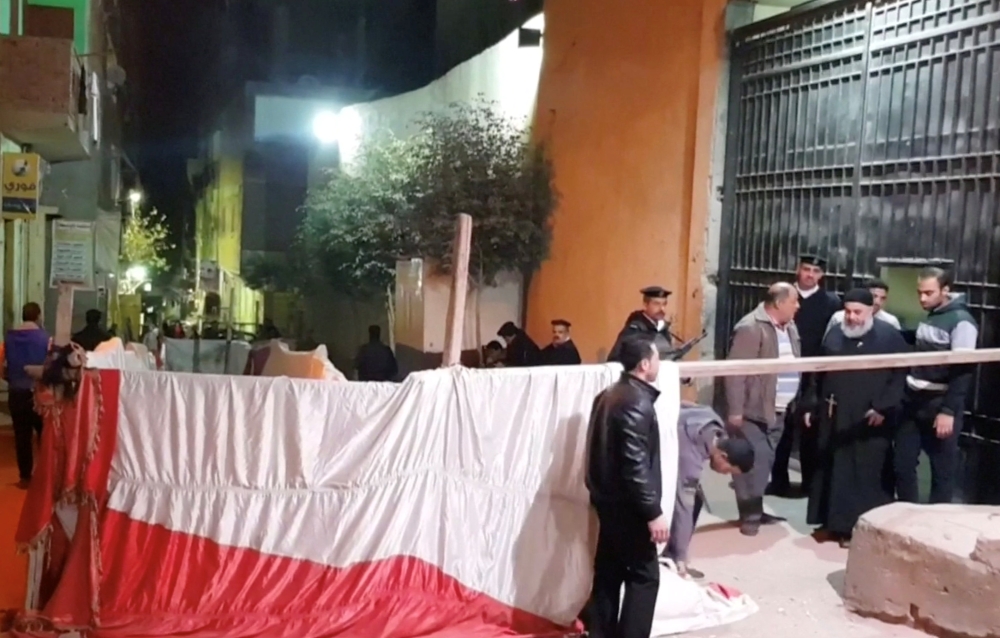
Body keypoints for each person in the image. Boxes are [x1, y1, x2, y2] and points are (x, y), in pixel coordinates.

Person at [801, 288, 908, 548]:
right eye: (848, 311)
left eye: (857, 312)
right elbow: (819, 371)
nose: (852, 317)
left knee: (861, 474)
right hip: (832, 414)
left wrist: (883, 407)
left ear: (871, 310)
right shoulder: (836, 332)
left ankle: (853, 528)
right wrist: (811, 404)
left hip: (867, 420)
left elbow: (899, 376)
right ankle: (829, 522)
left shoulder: (889, 337)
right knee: (830, 467)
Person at [584, 333, 665, 638]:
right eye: (656, 357)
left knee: (608, 574)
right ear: (645, 364)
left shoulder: (608, 395)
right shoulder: (636, 402)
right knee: (645, 577)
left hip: (607, 502)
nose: (659, 362)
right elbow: (635, 466)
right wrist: (653, 512)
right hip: (628, 507)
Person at [894, 267, 978, 504]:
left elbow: (963, 371)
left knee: (942, 470)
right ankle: (906, 517)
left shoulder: (962, 322)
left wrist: (948, 411)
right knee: (902, 463)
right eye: (919, 292)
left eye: (928, 293)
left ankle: (935, 525)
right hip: (912, 400)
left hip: (939, 402)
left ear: (946, 290)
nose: (922, 298)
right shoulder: (933, 313)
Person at [725, 282, 801, 536]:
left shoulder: (789, 326)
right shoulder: (751, 327)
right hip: (752, 410)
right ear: (779, 303)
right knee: (751, 464)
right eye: (794, 301)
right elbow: (735, 372)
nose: (798, 306)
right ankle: (749, 516)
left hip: (778, 409)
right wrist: (735, 410)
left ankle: (755, 509)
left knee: (765, 462)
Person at [770, 255, 841, 497]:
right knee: (781, 428)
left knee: (811, 428)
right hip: (784, 368)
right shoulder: (785, 296)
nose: (810, 274)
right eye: (806, 269)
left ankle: (810, 485)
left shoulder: (831, 302)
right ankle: (778, 480)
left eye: (815, 271)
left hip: (814, 373)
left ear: (821, 275)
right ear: (797, 270)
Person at [665, 402, 755, 580]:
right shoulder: (691, 455)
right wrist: (683, 556)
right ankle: (673, 560)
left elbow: (683, 403)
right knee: (685, 502)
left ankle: (674, 555)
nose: (724, 474)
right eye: (728, 470)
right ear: (723, 456)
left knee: (696, 498)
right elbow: (684, 505)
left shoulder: (712, 421)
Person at [1, 302, 51, 488]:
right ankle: (45, 475)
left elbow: (3, 366)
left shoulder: (10, 337)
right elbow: (50, 365)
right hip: (40, 394)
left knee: (22, 436)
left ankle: (25, 477)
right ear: (38, 316)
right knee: (44, 436)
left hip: (17, 392)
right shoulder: (45, 338)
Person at [608, 286, 676, 362]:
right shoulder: (635, 329)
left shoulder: (663, 329)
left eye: (664, 304)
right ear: (645, 305)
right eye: (656, 304)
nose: (662, 309)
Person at [826, 278, 901, 334]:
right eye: (874, 296)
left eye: (882, 298)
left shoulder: (891, 321)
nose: (878, 302)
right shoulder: (839, 318)